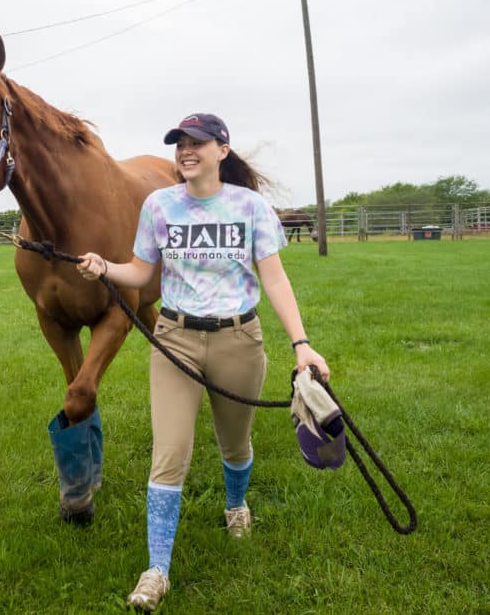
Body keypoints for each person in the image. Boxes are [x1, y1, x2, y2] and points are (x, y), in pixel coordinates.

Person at [77, 113, 330, 611]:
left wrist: (301, 344)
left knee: (234, 445)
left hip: (239, 341)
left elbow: (275, 280)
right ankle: (157, 570)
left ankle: (236, 505)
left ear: (222, 150)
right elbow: (142, 271)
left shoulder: (250, 207)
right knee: (168, 454)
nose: (186, 150)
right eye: (180, 144)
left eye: (197, 143)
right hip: (175, 340)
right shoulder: (159, 205)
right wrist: (104, 267)